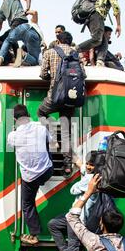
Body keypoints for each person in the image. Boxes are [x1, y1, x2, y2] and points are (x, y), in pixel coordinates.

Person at [38, 31, 86, 177]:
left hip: (54, 96)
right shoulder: (77, 54)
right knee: (66, 132)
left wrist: (54, 77)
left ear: (58, 41)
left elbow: (43, 74)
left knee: (41, 113)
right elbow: (83, 75)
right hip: (70, 98)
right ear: (70, 42)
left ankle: (52, 139)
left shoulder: (50, 52)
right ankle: (66, 166)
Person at [48, 151, 98, 251]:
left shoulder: (91, 180)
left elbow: (73, 190)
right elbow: (81, 165)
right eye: (88, 164)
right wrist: (73, 156)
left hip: (79, 219)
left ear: (97, 166)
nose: (88, 167)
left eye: (91, 165)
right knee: (53, 224)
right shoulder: (90, 173)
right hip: (73, 215)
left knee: (74, 247)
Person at [7, 104, 53, 246]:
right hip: (47, 171)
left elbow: (11, 147)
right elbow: (51, 142)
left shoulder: (12, 136)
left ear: (15, 119)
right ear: (28, 115)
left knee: (27, 204)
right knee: (45, 143)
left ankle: (34, 235)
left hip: (30, 178)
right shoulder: (40, 127)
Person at [0, 0, 40, 67]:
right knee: (35, 60)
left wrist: (26, 9)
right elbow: (0, 24)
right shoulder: (2, 9)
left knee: (7, 40)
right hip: (29, 29)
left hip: (18, 22)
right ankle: (22, 55)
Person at [77, 0, 121, 67]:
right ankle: (75, 50)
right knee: (97, 39)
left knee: (103, 40)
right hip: (97, 16)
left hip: (91, 18)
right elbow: (116, 8)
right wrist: (118, 25)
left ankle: (100, 61)